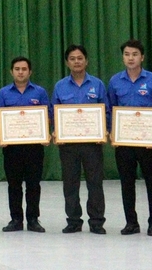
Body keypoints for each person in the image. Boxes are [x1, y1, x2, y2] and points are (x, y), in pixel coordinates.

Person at [108, 39, 152, 237]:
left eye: (134, 54)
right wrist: (113, 133)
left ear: (142, 57)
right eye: (126, 54)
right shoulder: (115, 81)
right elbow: (111, 110)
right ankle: (131, 222)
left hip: (148, 143)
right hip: (124, 142)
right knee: (127, 182)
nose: (130, 58)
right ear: (123, 57)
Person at [51, 44, 107, 234]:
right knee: (70, 183)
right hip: (68, 145)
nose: (77, 61)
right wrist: (56, 131)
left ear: (86, 61)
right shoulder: (60, 86)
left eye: (80, 58)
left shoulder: (97, 84)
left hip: (92, 144)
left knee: (95, 183)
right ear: (67, 63)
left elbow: (106, 111)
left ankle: (97, 221)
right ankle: (73, 221)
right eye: (72, 59)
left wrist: (104, 131)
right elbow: (54, 113)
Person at [0, 56, 50, 233]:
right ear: (11, 72)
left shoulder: (40, 92)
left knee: (33, 185)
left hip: (34, 147)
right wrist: (1, 135)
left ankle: (33, 219)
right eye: (17, 69)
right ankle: (16, 219)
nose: (20, 72)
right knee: (14, 185)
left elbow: (47, 116)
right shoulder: (3, 93)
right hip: (12, 148)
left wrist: (45, 133)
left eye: (24, 69)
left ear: (30, 72)